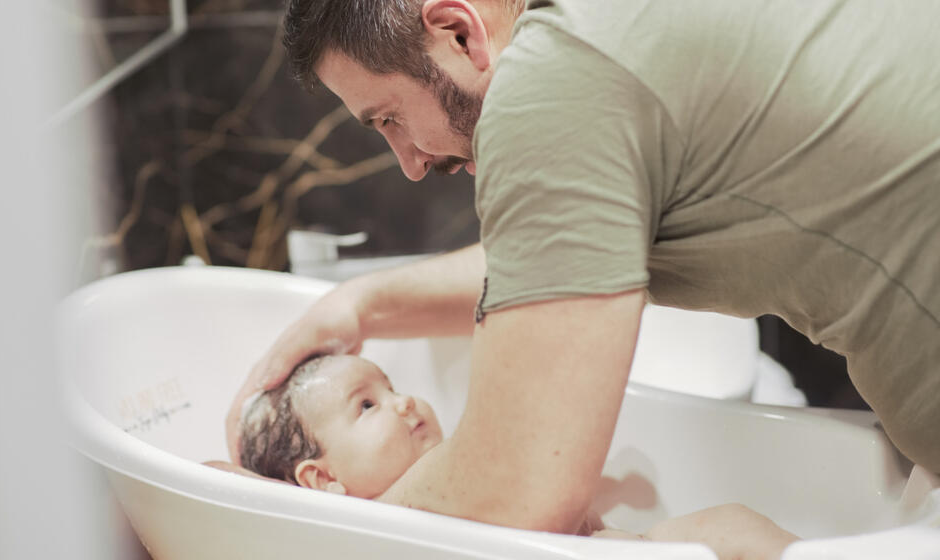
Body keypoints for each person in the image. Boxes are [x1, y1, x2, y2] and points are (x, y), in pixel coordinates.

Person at [226, 0, 940, 536]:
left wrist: (273, 518)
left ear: (458, 32)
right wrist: (366, 304)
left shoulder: (550, 85)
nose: (409, 164)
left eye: (387, 119)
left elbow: (520, 487)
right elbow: (562, 257)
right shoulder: (598, 33)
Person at [212, 354, 798, 560]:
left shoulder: (460, 469)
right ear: (320, 477)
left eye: (390, 386)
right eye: (367, 406)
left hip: (629, 549)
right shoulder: (349, 534)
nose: (404, 401)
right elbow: (209, 481)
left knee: (732, 523)